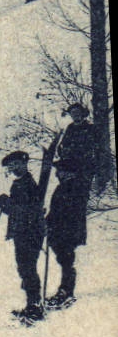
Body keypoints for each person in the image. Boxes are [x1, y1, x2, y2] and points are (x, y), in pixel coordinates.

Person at [45, 103, 96, 309]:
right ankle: (64, 289)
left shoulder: (89, 130)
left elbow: (91, 153)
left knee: (66, 255)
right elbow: (62, 149)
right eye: (72, 113)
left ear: (84, 114)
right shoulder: (69, 130)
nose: (75, 116)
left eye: (78, 113)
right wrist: (48, 222)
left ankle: (67, 290)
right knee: (62, 254)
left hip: (69, 229)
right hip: (59, 230)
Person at [0, 150, 49, 324]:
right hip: (23, 231)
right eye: (11, 165)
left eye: (17, 163)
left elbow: (25, 210)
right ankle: (31, 304)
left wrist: (6, 203)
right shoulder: (20, 183)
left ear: (25, 164)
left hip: (29, 232)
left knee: (27, 268)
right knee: (24, 268)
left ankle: (35, 306)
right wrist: (7, 204)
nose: (14, 167)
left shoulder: (27, 184)